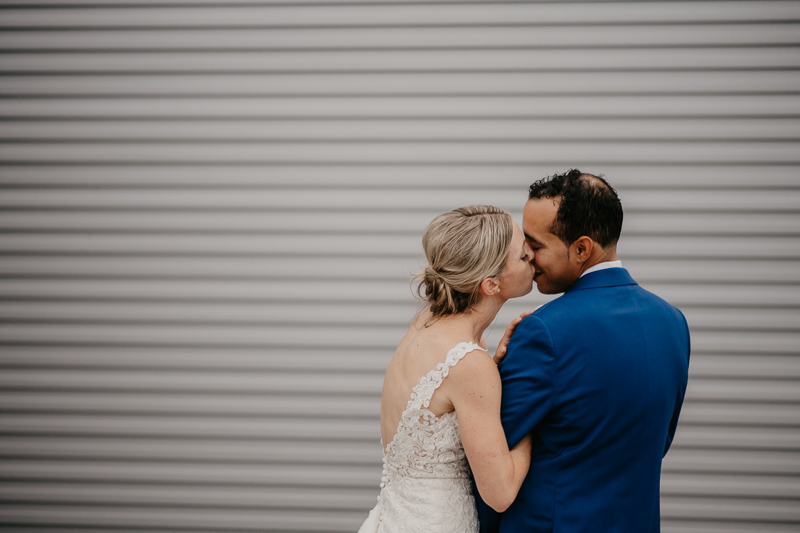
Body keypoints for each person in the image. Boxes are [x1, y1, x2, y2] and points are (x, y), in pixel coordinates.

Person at [477, 170, 691, 532]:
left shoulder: (542, 331)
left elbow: (493, 454)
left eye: (536, 244)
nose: (526, 255)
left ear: (581, 249)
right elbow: (658, 441)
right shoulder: (673, 322)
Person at [358, 205, 537, 533]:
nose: (535, 259)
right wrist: (538, 413)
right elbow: (500, 493)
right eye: (525, 257)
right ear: (491, 285)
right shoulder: (469, 364)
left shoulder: (425, 323)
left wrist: (492, 367)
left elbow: (444, 398)